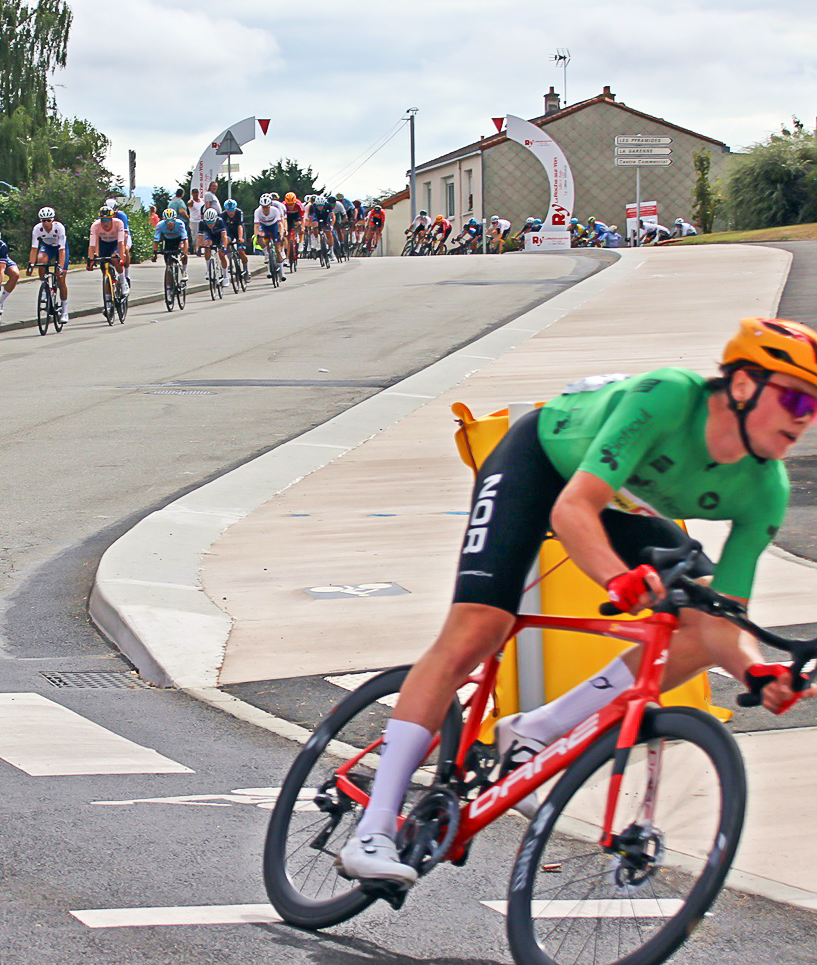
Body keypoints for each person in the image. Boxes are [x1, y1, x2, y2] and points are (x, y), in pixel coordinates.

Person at [336, 317, 817, 885]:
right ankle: (375, 825)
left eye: (812, 408)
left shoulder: (767, 489)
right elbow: (571, 511)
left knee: (699, 623)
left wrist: (757, 671)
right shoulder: (668, 397)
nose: (802, 419)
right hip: (541, 462)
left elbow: (723, 621)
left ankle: (541, 726)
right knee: (478, 630)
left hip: (626, 506)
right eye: (792, 397)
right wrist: (619, 580)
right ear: (742, 385)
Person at [28, 206, 70, 324]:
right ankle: (44, 286)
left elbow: (62, 250)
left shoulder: (59, 228)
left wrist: (61, 268)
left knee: (61, 279)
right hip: (47, 247)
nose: (46, 223)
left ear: (53, 219)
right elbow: (34, 248)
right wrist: (31, 264)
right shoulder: (37, 229)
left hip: (60, 248)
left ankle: (64, 310)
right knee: (41, 260)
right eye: (43, 220)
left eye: (48, 220)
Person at [87, 206, 130, 296]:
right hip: (104, 244)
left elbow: (121, 243)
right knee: (104, 270)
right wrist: (90, 261)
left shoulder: (118, 223)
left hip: (115, 243)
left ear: (112, 219)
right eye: (103, 220)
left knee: (115, 259)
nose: (105, 223)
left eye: (107, 220)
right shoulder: (95, 226)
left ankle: (123, 282)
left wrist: (121, 259)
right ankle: (108, 300)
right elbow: (92, 245)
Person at [253, 193, 287, 280]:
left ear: (270, 206)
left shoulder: (275, 210)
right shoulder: (257, 211)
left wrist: (281, 234)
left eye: (267, 207)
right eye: (263, 207)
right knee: (262, 242)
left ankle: (282, 272)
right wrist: (257, 235)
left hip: (273, 226)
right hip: (264, 226)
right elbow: (256, 226)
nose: (265, 209)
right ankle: (267, 257)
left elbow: (280, 224)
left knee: (277, 249)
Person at [151, 207, 189, 272]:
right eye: (167, 221)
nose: (170, 223)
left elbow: (185, 240)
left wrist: (184, 253)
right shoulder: (160, 225)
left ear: (175, 219)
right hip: (167, 240)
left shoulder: (180, 224)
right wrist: (155, 253)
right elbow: (156, 241)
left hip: (178, 240)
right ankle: (169, 272)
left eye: (172, 221)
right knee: (168, 264)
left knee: (183, 251)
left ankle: (184, 271)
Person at [198, 207, 230, 281]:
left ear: (216, 219)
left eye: (212, 222)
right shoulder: (202, 223)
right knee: (207, 246)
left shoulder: (220, 221)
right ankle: (208, 269)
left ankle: (225, 276)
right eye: (208, 223)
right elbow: (200, 237)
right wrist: (199, 248)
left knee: (221, 254)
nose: (210, 225)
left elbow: (224, 236)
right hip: (210, 236)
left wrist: (224, 247)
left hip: (219, 237)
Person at [222, 199, 248, 275]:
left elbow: (240, 226)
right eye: (228, 211)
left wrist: (240, 238)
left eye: (232, 210)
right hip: (229, 231)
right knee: (226, 242)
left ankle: (246, 270)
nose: (230, 213)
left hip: (238, 231)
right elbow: (223, 230)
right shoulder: (222, 215)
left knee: (241, 250)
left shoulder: (239, 213)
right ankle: (230, 261)